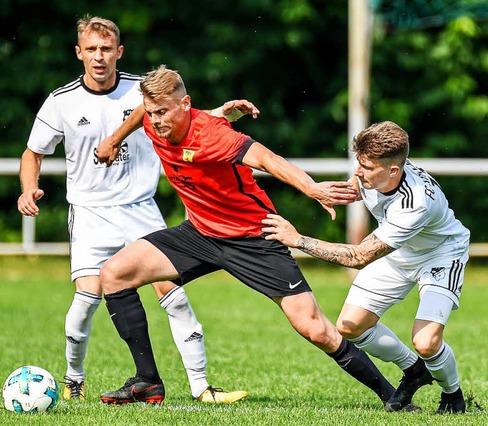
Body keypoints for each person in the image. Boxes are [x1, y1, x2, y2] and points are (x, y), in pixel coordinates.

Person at [95, 65, 416, 410]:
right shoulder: (152, 118)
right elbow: (143, 111)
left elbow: (267, 158)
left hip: (254, 238)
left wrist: (311, 188)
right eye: (153, 112)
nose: (156, 120)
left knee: (315, 329)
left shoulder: (214, 135)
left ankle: (392, 397)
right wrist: (114, 139)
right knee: (114, 274)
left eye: (164, 112)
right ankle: (146, 381)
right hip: (200, 233)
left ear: (186, 104)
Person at [17, 15, 256, 405]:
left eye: (106, 49)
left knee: (173, 295)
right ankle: (73, 381)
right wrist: (29, 189)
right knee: (86, 300)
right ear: (79, 53)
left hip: (140, 209)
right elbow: (33, 152)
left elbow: (181, 114)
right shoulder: (61, 101)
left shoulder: (138, 92)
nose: (99, 57)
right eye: (91, 49)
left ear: (119, 52)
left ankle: (202, 388)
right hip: (90, 213)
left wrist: (219, 113)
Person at [262, 120, 470, 414]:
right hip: (399, 252)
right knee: (350, 325)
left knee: (425, 341)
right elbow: (361, 188)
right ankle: (414, 370)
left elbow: (358, 257)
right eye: (358, 163)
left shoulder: (415, 204)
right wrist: (335, 192)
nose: (358, 172)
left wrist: (297, 240)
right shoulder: (379, 174)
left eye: (366, 167)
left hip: (441, 255)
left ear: (393, 170)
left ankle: (453, 397)